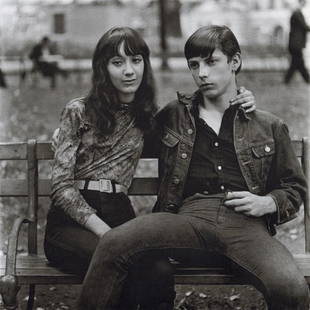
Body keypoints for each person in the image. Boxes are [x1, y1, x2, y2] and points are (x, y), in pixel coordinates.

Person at [78, 25, 309, 310]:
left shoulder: (268, 125)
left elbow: (294, 187)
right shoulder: (174, 115)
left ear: (234, 62)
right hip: (185, 220)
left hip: (246, 227)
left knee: (292, 290)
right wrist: (77, 129)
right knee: (114, 242)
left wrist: (268, 202)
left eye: (211, 62)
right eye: (194, 65)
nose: (202, 73)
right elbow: (126, 134)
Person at [46, 26, 256, 310]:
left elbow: (196, 122)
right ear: (103, 68)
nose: (129, 70)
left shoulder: (146, 118)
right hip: (71, 223)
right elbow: (60, 187)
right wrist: (105, 234)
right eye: (117, 62)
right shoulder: (79, 110)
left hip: (120, 212)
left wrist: (241, 97)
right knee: (117, 263)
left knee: (158, 271)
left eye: (136, 60)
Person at [284, 0, 310, 84]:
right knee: (298, 63)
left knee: (296, 63)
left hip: (295, 44)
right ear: (300, 3)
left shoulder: (297, 13)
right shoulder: (297, 13)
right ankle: (307, 79)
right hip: (296, 44)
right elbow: (304, 26)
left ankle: (287, 80)